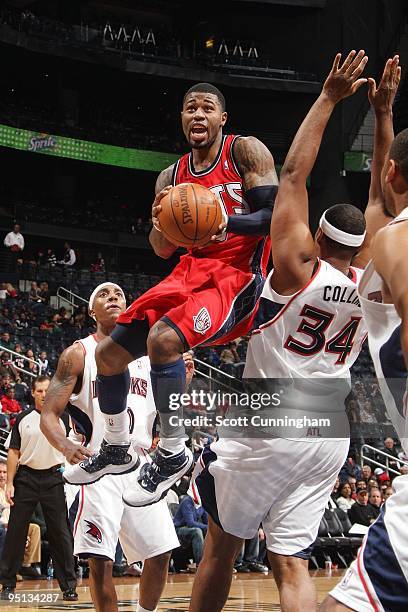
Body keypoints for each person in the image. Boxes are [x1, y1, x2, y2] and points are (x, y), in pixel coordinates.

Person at [189, 51, 391, 612]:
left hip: (273, 415)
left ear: (317, 235)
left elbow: (294, 175)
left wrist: (328, 96)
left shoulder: (299, 265)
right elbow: (380, 194)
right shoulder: (373, 273)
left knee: (221, 546)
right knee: (290, 561)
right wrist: (382, 115)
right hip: (331, 426)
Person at [64, 82, 279, 507]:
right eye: (190, 108)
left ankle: (173, 452)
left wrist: (223, 222)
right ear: (182, 119)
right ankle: (117, 447)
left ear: (222, 118)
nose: (198, 114)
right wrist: (161, 222)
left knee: (163, 341)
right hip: (188, 272)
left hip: (236, 275)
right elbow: (162, 249)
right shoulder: (172, 176)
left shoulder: (245, 152)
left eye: (207, 108)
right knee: (107, 355)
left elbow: (274, 217)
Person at [321, 56, 408, 612]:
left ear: (397, 172)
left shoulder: (400, 240)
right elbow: (378, 196)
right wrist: (384, 114)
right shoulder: (386, 234)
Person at [40, 283, 180, 612]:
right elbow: (48, 414)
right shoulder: (78, 353)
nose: (113, 297)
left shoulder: (148, 354)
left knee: (161, 552)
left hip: (140, 465)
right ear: (92, 312)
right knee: (100, 560)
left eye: (118, 294)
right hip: (98, 465)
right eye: (104, 295)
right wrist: (64, 445)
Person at [0, 376, 77, 601]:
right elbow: (13, 453)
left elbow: (71, 450)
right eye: (40, 391)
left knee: (60, 533)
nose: (44, 394)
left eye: (47, 390)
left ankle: (69, 586)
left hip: (54, 478)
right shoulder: (23, 418)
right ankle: (7, 583)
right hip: (26, 478)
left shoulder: (63, 418)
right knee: (16, 531)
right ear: (33, 393)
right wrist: (10, 483)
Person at [0, 460, 43, 578]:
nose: (2, 475)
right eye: (0, 472)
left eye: (5, 472)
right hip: (3, 525)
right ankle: (10, 570)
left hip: (14, 523)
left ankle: (26, 565)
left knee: (34, 528)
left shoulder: (13, 488)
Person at [173, 489, 208, 569]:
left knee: (210, 532)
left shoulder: (202, 504)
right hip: (178, 529)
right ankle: (200, 565)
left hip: (190, 529)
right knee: (197, 531)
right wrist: (207, 527)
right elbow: (190, 523)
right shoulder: (187, 501)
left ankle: (212, 561)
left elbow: (207, 522)